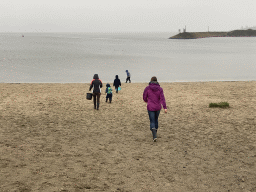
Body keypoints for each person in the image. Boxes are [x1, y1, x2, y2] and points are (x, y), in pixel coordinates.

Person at [143, 76, 167, 142]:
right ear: (156, 81)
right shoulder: (160, 89)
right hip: (157, 107)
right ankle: (155, 132)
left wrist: (146, 100)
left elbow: (144, 96)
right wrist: (165, 107)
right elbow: (162, 98)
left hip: (150, 106)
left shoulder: (147, 88)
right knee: (156, 119)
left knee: (152, 120)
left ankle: (154, 132)